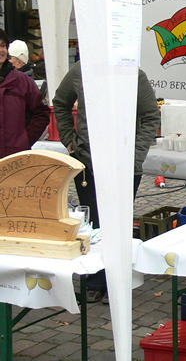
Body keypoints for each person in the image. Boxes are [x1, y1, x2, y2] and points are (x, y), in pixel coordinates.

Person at [52, 59, 160, 300]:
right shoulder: (81, 70)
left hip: (124, 165)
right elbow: (60, 102)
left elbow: (151, 116)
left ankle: (116, 279)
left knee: (118, 223)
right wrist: (70, 141)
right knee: (93, 223)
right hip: (88, 162)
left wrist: (135, 155)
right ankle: (95, 279)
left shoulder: (134, 75)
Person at [0, 29, 50, 158]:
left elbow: (41, 113)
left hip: (16, 159)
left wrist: (25, 140)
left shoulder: (22, 81)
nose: (1, 50)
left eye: (3, 46)